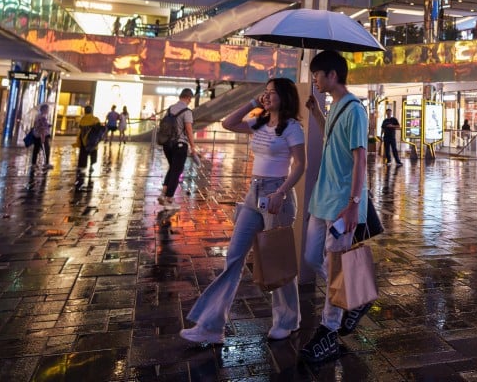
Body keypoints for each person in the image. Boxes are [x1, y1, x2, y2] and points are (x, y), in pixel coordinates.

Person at [180, 79, 306, 346]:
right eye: (266, 92)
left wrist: (281, 191)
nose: (267, 96)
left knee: (276, 260)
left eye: (273, 93)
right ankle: (212, 327)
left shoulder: (293, 128)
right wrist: (252, 103)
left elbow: (299, 165)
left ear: (285, 96)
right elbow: (227, 123)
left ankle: (288, 319)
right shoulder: (258, 123)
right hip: (253, 194)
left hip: (277, 196)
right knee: (234, 258)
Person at [301, 50, 369, 364]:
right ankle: (353, 297)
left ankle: (329, 328)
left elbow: (360, 158)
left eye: (317, 74)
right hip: (322, 199)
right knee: (313, 257)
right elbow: (331, 134)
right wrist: (316, 112)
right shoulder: (337, 106)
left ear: (332, 75)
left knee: (337, 267)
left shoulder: (354, 110)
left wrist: (354, 204)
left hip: (341, 203)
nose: (314, 80)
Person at [157, 89, 199, 209]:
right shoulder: (187, 111)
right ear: (188, 98)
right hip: (179, 145)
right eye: (190, 99)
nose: (190, 101)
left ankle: (163, 193)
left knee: (172, 168)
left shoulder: (170, 109)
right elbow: (189, 130)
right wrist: (193, 146)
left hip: (167, 144)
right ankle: (170, 199)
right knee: (177, 171)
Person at [75, 105, 103, 189]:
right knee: (93, 153)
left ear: (85, 111)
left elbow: (80, 127)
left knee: (83, 154)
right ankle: (91, 165)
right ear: (91, 111)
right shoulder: (95, 119)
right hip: (92, 141)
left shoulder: (82, 119)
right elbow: (99, 129)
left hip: (83, 140)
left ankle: (82, 167)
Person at [30, 104, 53, 171]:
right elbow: (42, 127)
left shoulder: (39, 116)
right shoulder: (42, 117)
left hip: (38, 135)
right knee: (45, 149)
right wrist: (48, 126)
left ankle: (34, 163)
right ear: (43, 109)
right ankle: (46, 163)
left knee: (37, 149)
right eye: (47, 109)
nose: (48, 110)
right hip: (42, 135)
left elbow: (38, 125)